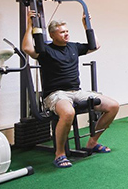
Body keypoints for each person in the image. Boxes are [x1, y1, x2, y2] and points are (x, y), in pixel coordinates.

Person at [22, 10, 120, 169]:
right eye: (62, 32)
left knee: (113, 106)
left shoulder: (73, 47)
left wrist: (87, 26)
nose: (66, 34)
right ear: (52, 35)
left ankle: (92, 142)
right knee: (68, 112)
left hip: (76, 91)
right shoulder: (45, 50)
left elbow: (95, 46)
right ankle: (60, 154)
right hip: (56, 94)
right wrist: (29, 25)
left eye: (67, 31)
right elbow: (27, 48)